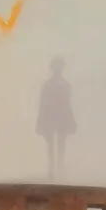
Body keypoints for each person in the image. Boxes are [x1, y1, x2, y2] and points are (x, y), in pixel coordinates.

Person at [36, 55, 76, 183]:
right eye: (57, 66)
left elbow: (67, 103)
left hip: (58, 116)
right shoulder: (58, 85)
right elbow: (43, 103)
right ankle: (53, 170)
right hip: (52, 116)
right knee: (53, 144)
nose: (58, 69)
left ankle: (57, 169)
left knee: (58, 143)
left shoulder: (62, 85)